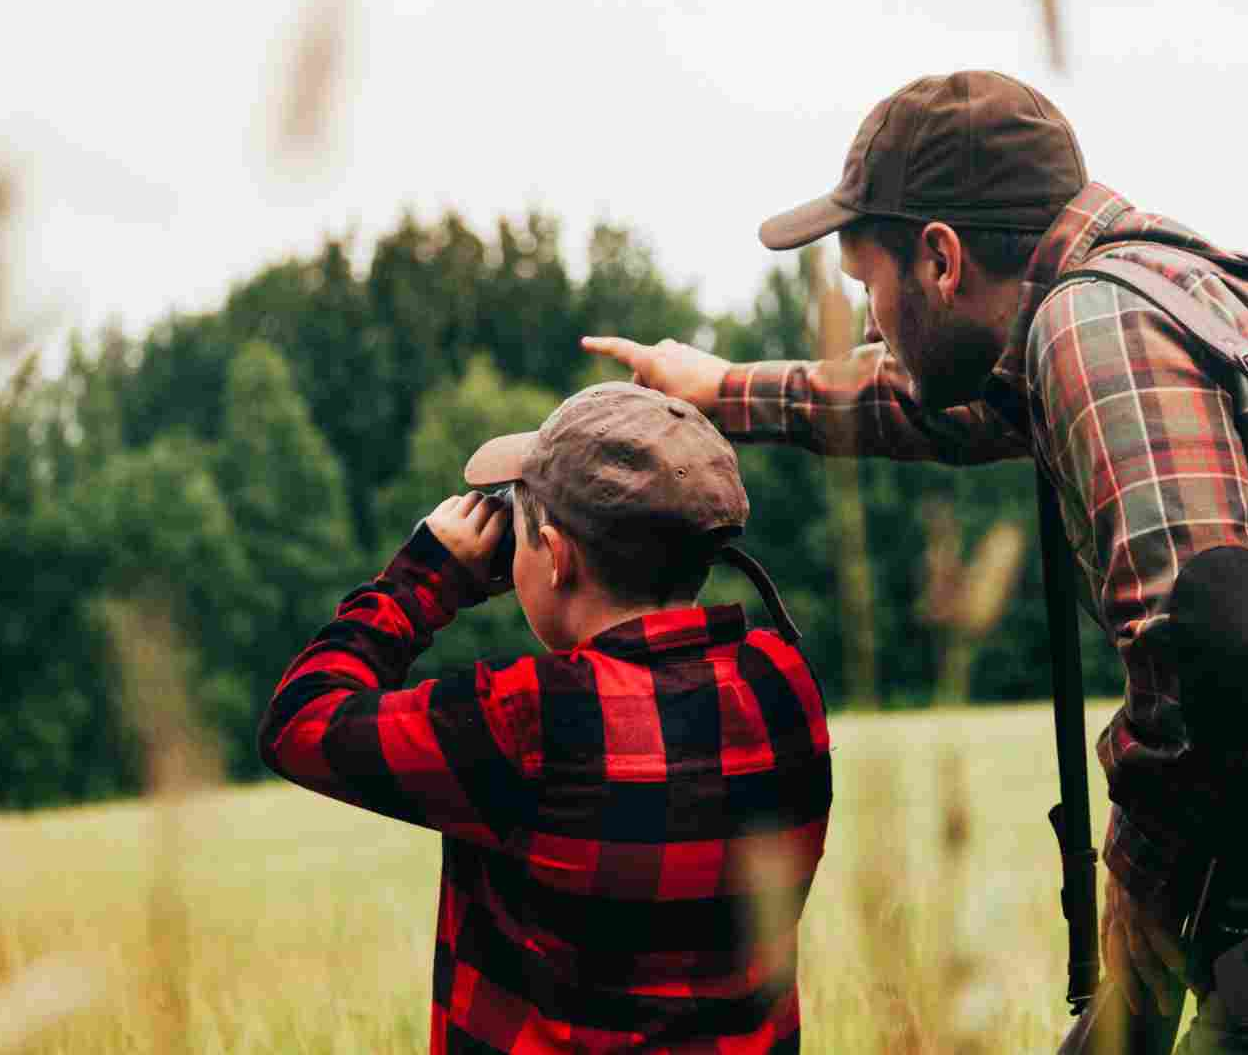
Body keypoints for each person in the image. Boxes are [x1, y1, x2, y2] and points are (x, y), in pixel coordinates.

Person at [585, 70, 1248, 1051]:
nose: (869, 321)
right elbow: (925, 401)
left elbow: (1208, 667)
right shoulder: (1167, 286)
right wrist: (722, 389)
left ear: (942, 259)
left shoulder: (1093, 328)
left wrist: (1132, 988)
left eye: (863, 283)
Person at [259, 381, 832, 1054]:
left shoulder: (527, 721)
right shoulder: (784, 683)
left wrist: (420, 584)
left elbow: (299, 721)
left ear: (556, 557)